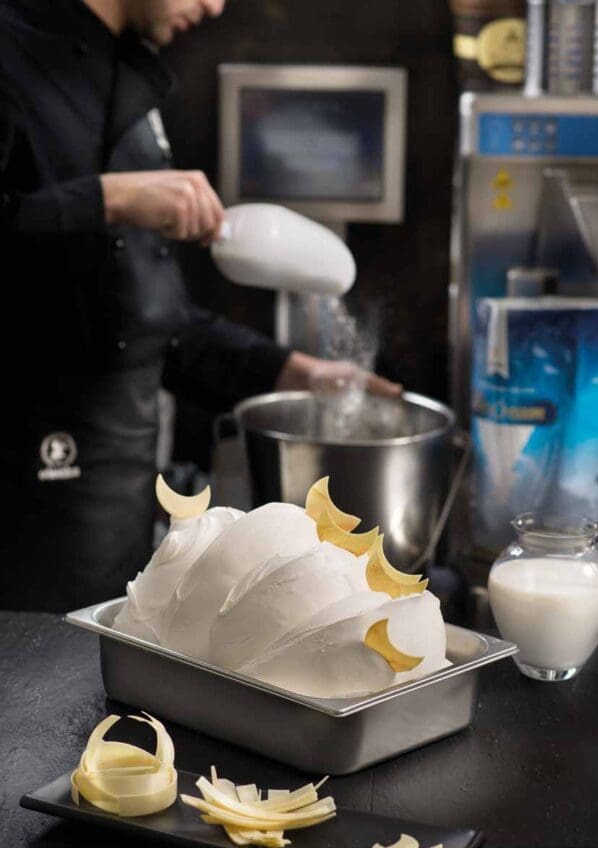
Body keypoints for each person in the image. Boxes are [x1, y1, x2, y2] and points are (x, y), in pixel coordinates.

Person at [0, 0, 401, 612]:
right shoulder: (10, 47)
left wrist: (293, 373)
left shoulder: (129, 70)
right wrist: (104, 198)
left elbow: (139, 312)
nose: (215, 4)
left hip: (119, 492)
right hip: (26, 492)